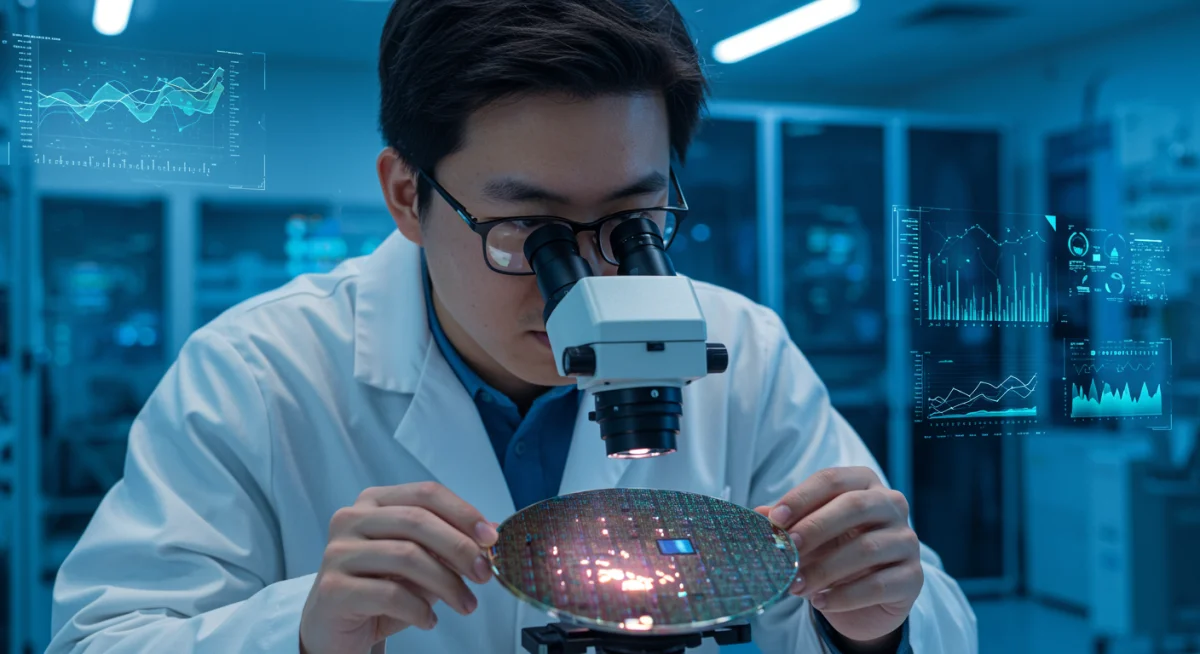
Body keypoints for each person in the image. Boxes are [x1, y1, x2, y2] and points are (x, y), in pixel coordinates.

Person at [47, 0, 977, 652]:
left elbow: (926, 614)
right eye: (532, 234)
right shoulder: (256, 372)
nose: (590, 286)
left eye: (633, 223)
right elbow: (102, 639)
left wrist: (874, 625)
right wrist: (296, 630)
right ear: (406, 195)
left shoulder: (747, 350)